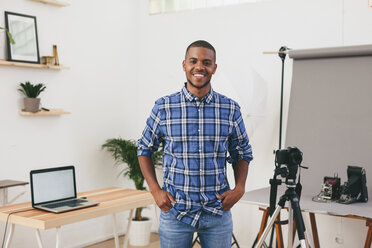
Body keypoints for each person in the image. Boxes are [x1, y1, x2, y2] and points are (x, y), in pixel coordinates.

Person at [137, 40, 253, 248]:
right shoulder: (164, 107)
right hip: (176, 211)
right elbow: (144, 148)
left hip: (217, 211)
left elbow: (242, 152)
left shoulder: (230, 109)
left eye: (206, 62)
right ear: (184, 65)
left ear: (214, 68)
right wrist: (155, 190)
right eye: (193, 61)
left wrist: (240, 188)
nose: (199, 67)